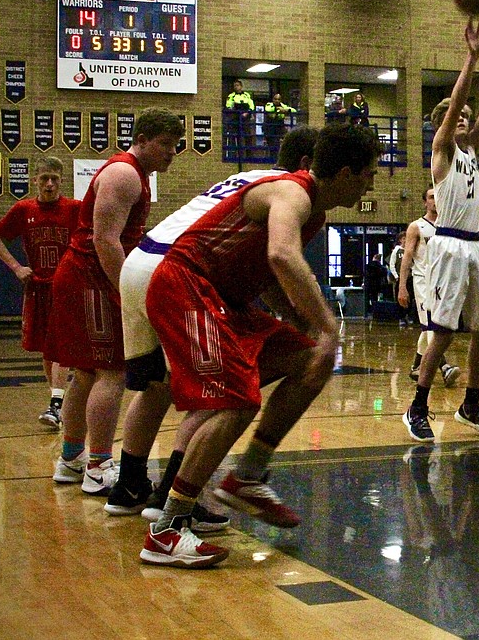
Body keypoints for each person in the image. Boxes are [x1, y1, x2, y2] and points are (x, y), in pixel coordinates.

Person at [140, 122, 379, 567]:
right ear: (346, 172)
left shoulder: (315, 213)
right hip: (185, 286)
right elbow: (282, 256)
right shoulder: (293, 192)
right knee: (237, 400)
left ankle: (247, 475)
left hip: (223, 298)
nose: (372, 181)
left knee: (311, 359)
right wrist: (328, 326)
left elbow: (268, 275)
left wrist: (301, 326)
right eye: (369, 172)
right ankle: (167, 529)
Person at [100, 127, 319, 522]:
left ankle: (129, 484)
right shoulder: (290, 192)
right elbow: (270, 268)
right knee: (214, 387)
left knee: (154, 385)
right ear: (307, 165)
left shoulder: (248, 176)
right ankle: (172, 494)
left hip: (139, 262)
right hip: (175, 271)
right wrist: (300, 315)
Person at [47, 110, 183, 495]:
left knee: (87, 374)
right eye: (165, 145)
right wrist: (127, 293)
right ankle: (98, 465)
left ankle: (71, 459)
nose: (171, 153)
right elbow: (104, 240)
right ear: (141, 139)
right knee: (112, 374)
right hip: (92, 277)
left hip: (83, 277)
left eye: (175, 146)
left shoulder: (132, 174)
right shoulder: (125, 174)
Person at [403, 19, 479, 443]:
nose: (467, 118)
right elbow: (458, 106)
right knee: (444, 331)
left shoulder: (471, 148)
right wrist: (471, 58)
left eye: (468, 116)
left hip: (475, 248)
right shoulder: (443, 148)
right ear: (447, 123)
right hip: (449, 244)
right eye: (460, 115)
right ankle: (418, 405)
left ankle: (470, 403)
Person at [0, 156, 81, 428]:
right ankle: (58, 403)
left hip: (65, 288)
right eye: (44, 179)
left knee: (62, 346)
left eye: (54, 179)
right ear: (35, 180)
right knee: (46, 350)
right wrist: (16, 267)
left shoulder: (75, 209)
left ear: (62, 180)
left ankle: (55, 404)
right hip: (37, 287)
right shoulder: (23, 209)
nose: (49, 184)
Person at [398, 187, 462, 387]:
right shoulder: (416, 227)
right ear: (425, 201)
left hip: (442, 282)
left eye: (438, 197)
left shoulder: (447, 225)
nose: (436, 200)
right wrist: (402, 286)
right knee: (433, 325)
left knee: (429, 327)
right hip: (422, 281)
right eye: (432, 197)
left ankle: (417, 367)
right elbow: (407, 257)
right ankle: (444, 367)